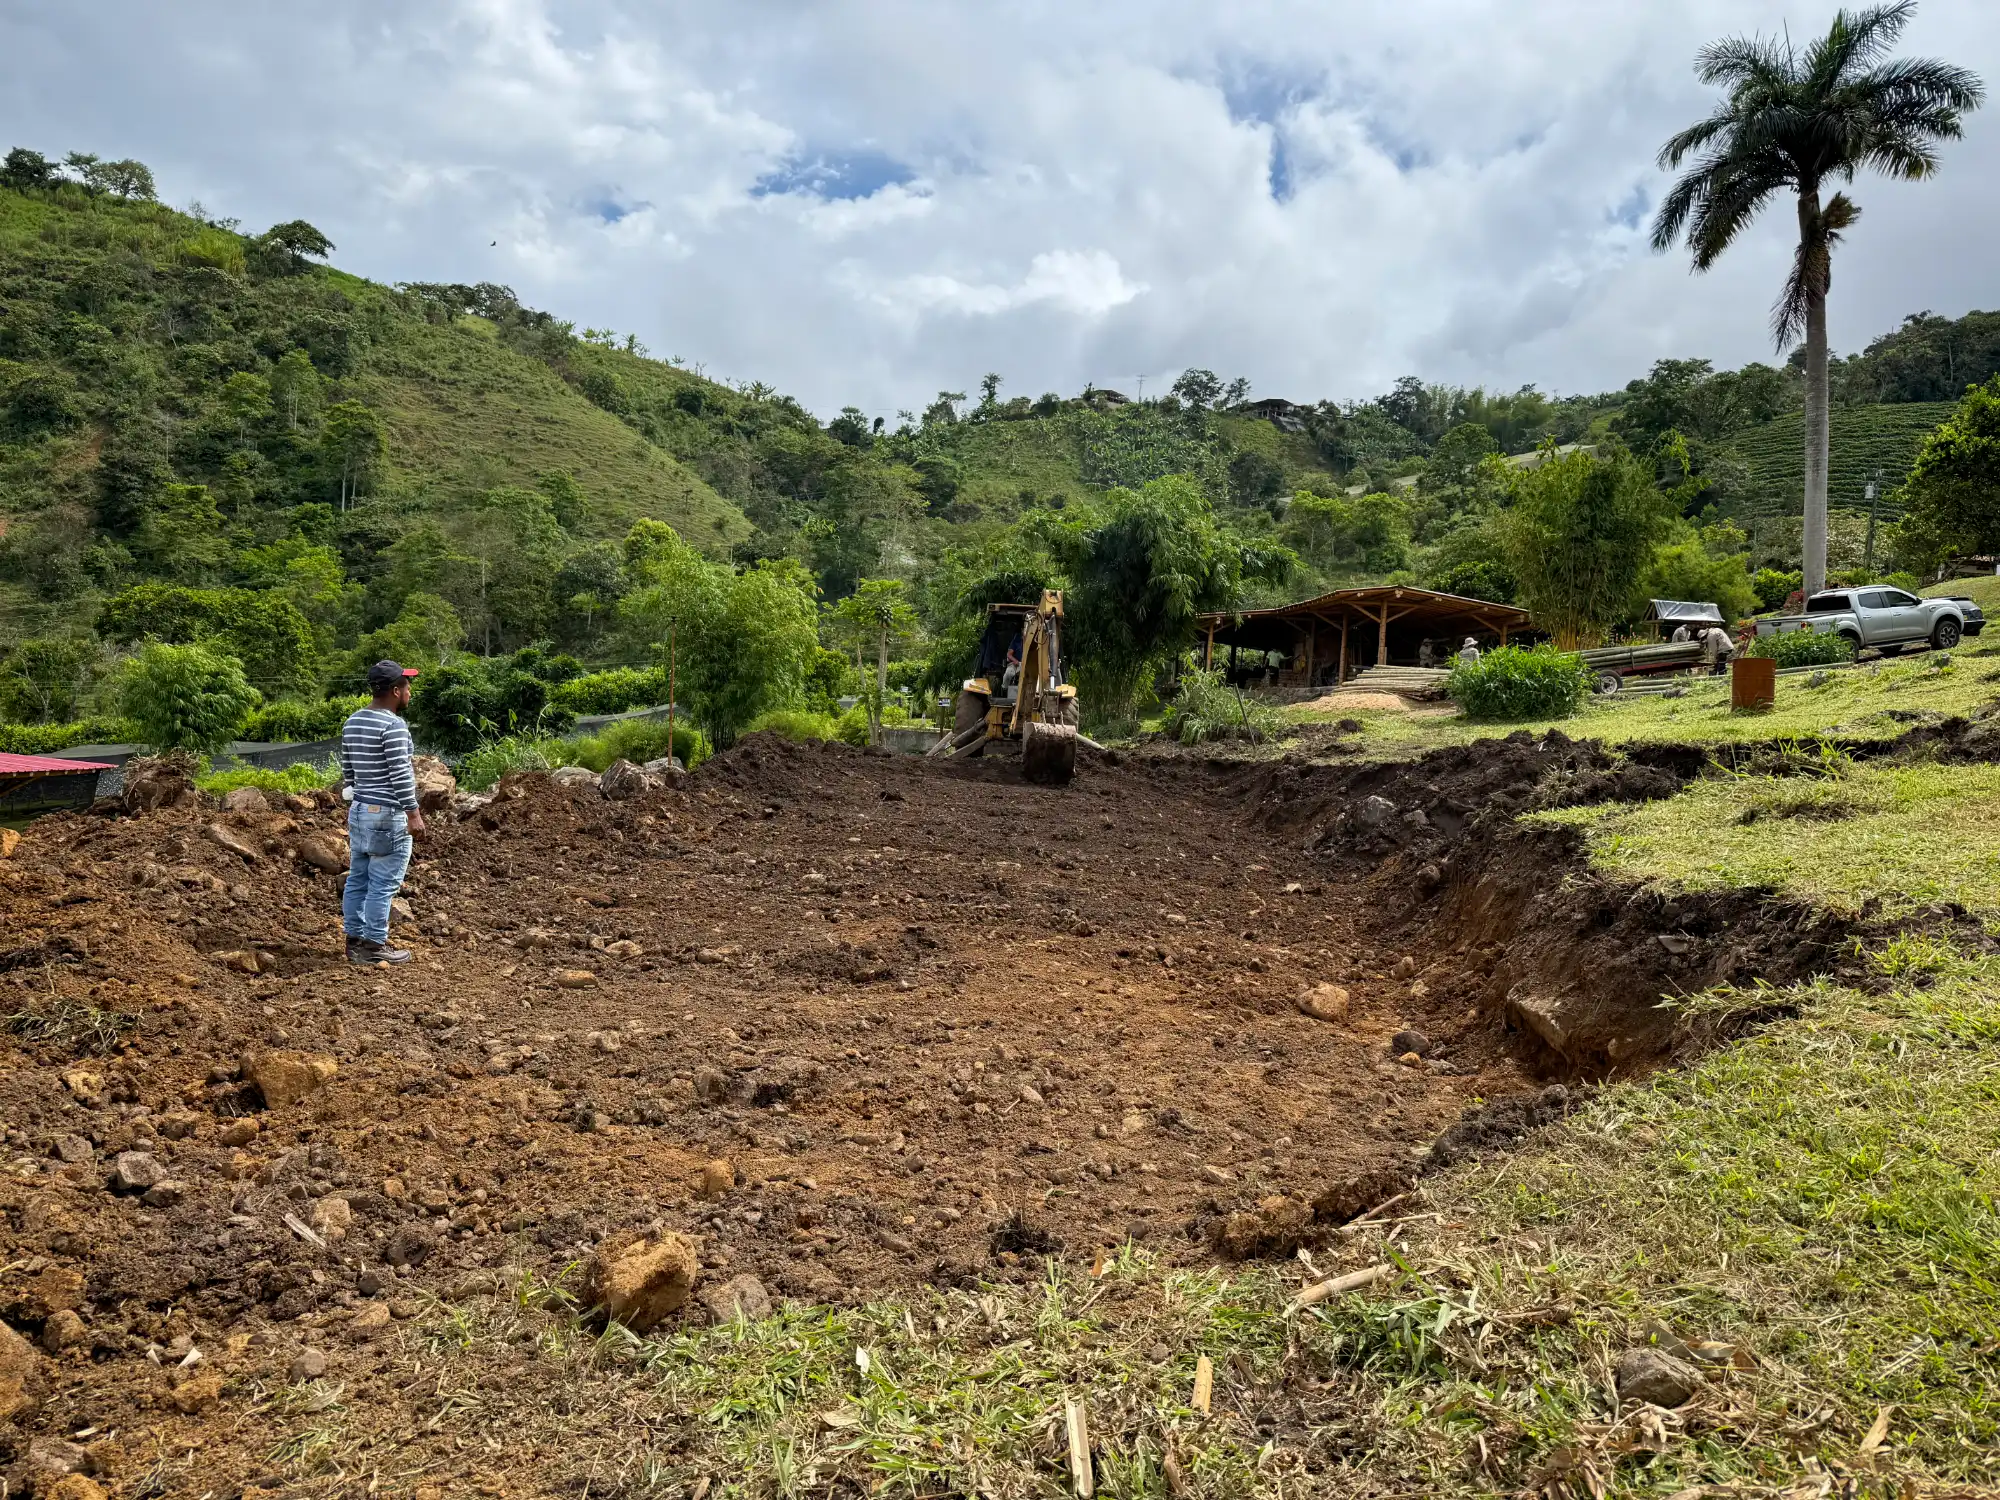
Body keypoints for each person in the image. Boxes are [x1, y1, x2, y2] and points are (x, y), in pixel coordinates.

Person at [340, 660, 425, 964]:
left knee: (358, 878)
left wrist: (358, 793)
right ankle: (374, 945)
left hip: (360, 809)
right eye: (407, 686)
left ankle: (354, 942)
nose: (409, 691)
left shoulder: (353, 721)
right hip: (387, 813)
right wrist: (413, 813)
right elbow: (400, 773)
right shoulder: (393, 725)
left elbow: (348, 768)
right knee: (383, 883)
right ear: (395, 691)